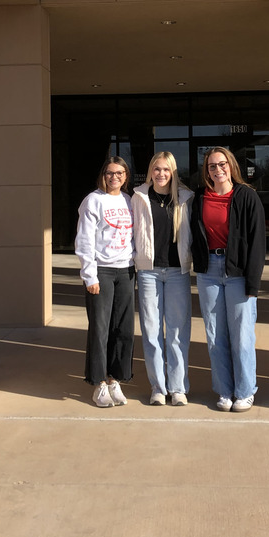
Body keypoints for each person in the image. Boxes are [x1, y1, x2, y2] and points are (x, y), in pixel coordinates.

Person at [190, 147, 266, 412]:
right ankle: (224, 390)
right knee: (215, 336)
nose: (217, 170)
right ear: (206, 171)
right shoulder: (199, 197)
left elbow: (257, 243)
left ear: (231, 166)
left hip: (238, 273)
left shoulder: (247, 197)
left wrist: (253, 283)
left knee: (242, 336)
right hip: (208, 271)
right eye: (212, 166)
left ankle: (245, 391)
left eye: (221, 164)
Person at [132, 152, 193, 406]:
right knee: (151, 331)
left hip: (177, 272)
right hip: (148, 272)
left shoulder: (186, 198)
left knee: (178, 332)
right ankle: (158, 386)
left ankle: (178, 387)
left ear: (173, 172)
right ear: (150, 171)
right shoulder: (139, 197)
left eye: (166, 170)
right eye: (156, 169)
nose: (161, 174)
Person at [75, 155, 135, 408]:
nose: (114, 177)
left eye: (120, 173)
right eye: (110, 173)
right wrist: (90, 275)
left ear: (125, 176)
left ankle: (114, 380)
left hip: (126, 271)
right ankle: (98, 383)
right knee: (100, 329)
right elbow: (85, 240)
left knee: (122, 329)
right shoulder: (93, 201)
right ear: (103, 175)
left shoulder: (129, 200)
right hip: (102, 271)